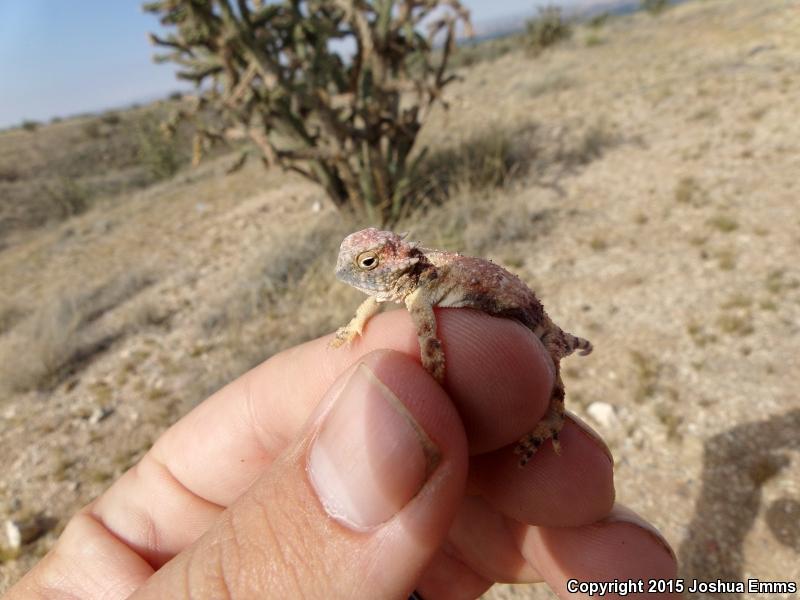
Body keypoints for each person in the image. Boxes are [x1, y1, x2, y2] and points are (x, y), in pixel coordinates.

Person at [6, 309, 679, 599]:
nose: (366, 287)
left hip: (514, 330)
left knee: (532, 374)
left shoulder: (424, 296)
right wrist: (359, 325)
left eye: (368, 272)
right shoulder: (396, 298)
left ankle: (544, 409)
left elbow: (435, 347)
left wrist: (433, 378)